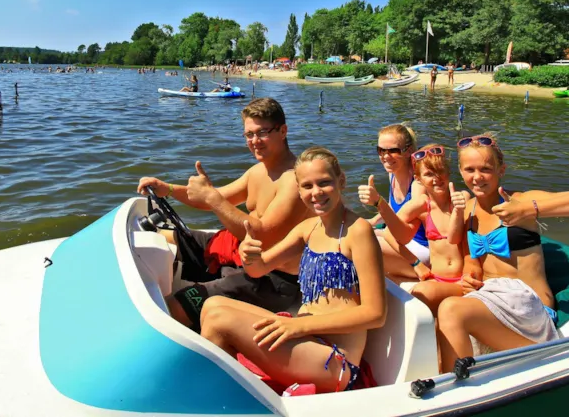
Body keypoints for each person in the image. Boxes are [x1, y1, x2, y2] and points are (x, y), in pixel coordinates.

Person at [199, 147, 386, 393]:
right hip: (304, 340)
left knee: (219, 319)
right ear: (298, 190)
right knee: (212, 305)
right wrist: (249, 255)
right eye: (307, 186)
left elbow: (375, 314)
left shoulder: (358, 231)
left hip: (335, 360)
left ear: (341, 181)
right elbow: (258, 269)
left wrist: (299, 326)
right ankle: (228, 396)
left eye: (324, 183)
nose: (316, 192)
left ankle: (222, 398)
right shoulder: (307, 228)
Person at [435, 135, 569, 370]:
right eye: (470, 169)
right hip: (491, 294)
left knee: (451, 309)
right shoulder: (469, 210)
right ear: (461, 171)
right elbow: (473, 263)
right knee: (428, 299)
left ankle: (455, 389)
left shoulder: (520, 200)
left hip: (529, 305)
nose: (477, 177)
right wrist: (471, 277)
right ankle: (450, 375)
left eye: (486, 169)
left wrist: (529, 209)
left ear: (501, 169)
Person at [137, 98, 310, 329]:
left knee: (174, 307)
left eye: (262, 132)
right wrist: (167, 188)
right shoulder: (258, 171)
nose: (254, 141)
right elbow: (211, 199)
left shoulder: (295, 180)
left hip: (274, 280)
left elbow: (262, 236)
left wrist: (212, 197)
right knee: (161, 238)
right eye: (249, 134)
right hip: (242, 255)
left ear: (283, 131)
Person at [379, 145, 469, 327]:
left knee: (420, 295)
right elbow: (389, 233)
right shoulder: (422, 204)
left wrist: (459, 211)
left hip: (461, 280)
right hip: (436, 276)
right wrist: (416, 263)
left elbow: (454, 239)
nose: (437, 178)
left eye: (440, 171)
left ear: (449, 172)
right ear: (418, 179)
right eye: (429, 174)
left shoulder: (462, 198)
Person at [357, 124, 429, 280]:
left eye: (393, 151)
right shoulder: (393, 174)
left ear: (408, 151)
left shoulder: (417, 184)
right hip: (399, 241)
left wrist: (377, 202)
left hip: (420, 249)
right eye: (381, 150)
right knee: (353, 232)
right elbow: (393, 209)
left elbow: (404, 233)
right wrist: (372, 221)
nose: (385, 156)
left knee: (360, 246)